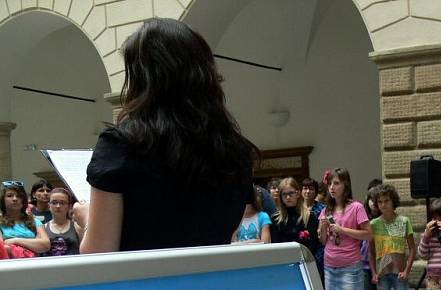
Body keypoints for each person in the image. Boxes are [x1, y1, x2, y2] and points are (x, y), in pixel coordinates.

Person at [79, 18, 257, 253]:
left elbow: (98, 255)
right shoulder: (236, 152)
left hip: (143, 287)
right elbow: (225, 236)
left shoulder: (121, 145)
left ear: (142, 79)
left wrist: (86, 219)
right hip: (210, 286)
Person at [318, 168, 372, 290]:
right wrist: (323, 229)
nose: (332, 187)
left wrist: (342, 230)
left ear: (345, 185)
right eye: (330, 184)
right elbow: (323, 241)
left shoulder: (356, 207)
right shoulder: (326, 210)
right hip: (331, 263)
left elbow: (368, 234)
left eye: (337, 183)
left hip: (351, 264)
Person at [360, 181, 388, 290]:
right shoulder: (362, 219)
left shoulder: (385, 221)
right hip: (363, 266)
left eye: (376, 200)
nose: (372, 203)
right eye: (370, 199)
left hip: (382, 268)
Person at [0, 182, 50, 257]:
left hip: (33, 265)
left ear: (23, 200)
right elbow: (2, 248)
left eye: (19, 196)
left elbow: (45, 245)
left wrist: (14, 240)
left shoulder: (35, 221)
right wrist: (34, 243)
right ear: (3, 200)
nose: (15, 199)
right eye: (10, 196)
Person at [270, 178, 319, 254]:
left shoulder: (309, 216)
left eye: (291, 193)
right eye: (284, 194)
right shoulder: (275, 219)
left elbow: (313, 245)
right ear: (280, 197)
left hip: (305, 260)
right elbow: (275, 246)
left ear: (298, 194)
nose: (288, 197)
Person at [42, 188, 83, 256]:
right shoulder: (43, 228)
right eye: (54, 203)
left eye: (62, 203)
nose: (58, 206)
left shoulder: (77, 227)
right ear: (49, 205)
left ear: (69, 206)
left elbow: (85, 253)